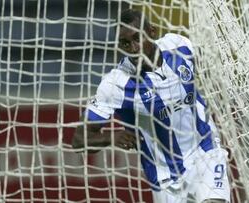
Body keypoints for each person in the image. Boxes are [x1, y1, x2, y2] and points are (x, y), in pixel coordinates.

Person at [72, 9, 230, 203]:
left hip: (206, 153)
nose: (133, 47)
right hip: (166, 179)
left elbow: (208, 66)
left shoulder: (179, 46)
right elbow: (79, 139)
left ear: (152, 32)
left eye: (138, 38)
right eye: (125, 43)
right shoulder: (116, 84)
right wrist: (112, 137)